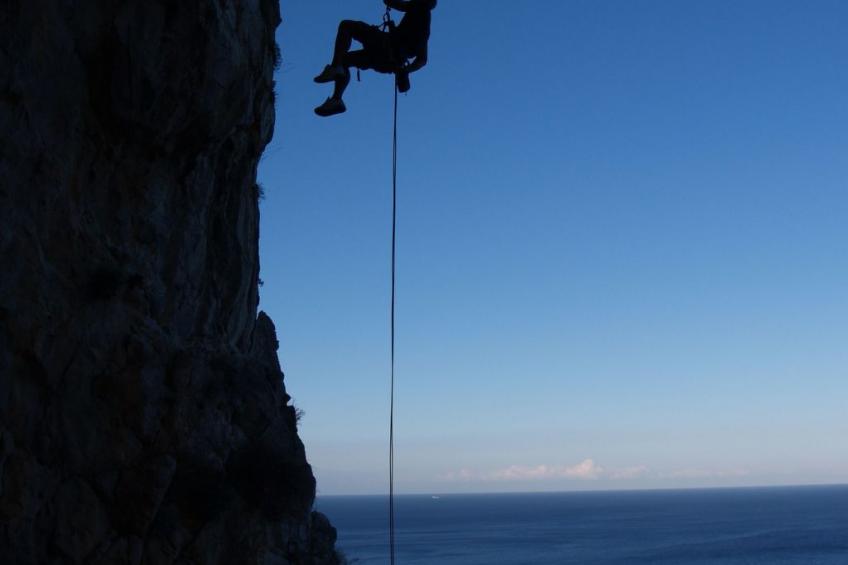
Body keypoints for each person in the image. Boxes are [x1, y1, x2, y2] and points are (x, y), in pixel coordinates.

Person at [313, 0, 437, 117]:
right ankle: (336, 99)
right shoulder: (423, 22)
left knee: (347, 26)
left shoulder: (419, 9)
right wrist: (405, 70)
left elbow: (395, 3)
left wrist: (405, 70)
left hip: (384, 48)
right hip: (386, 59)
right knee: (344, 59)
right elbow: (422, 60)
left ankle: (336, 70)